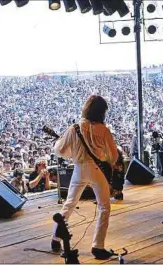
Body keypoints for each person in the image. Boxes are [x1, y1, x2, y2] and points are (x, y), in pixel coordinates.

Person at [51, 95, 118, 260]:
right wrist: (106, 160)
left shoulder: (74, 128)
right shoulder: (104, 130)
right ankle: (98, 246)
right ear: (102, 112)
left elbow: (60, 150)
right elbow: (113, 155)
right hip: (97, 170)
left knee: (70, 203)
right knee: (104, 207)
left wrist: (74, 152)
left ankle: (55, 238)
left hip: (79, 169)